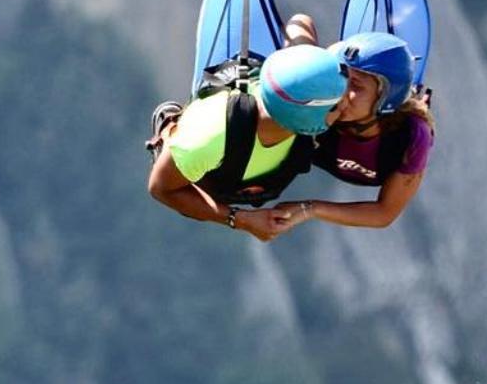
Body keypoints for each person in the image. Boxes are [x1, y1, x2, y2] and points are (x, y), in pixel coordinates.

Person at [146, 43, 350, 241]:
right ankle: (170, 136)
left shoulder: (298, 104)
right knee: (198, 178)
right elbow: (161, 188)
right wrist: (240, 219)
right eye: (337, 104)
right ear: (308, 117)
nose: (348, 103)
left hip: (244, 164)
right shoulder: (208, 137)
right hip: (209, 167)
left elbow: (303, 24)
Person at [270, 21, 436, 232]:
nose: (342, 90)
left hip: (377, 157)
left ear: (385, 99)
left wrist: (309, 209)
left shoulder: (412, 136)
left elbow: (384, 213)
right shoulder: (322, 97)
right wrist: (301, 59)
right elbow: (301, 22)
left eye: (356, 86)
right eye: (343, 77)